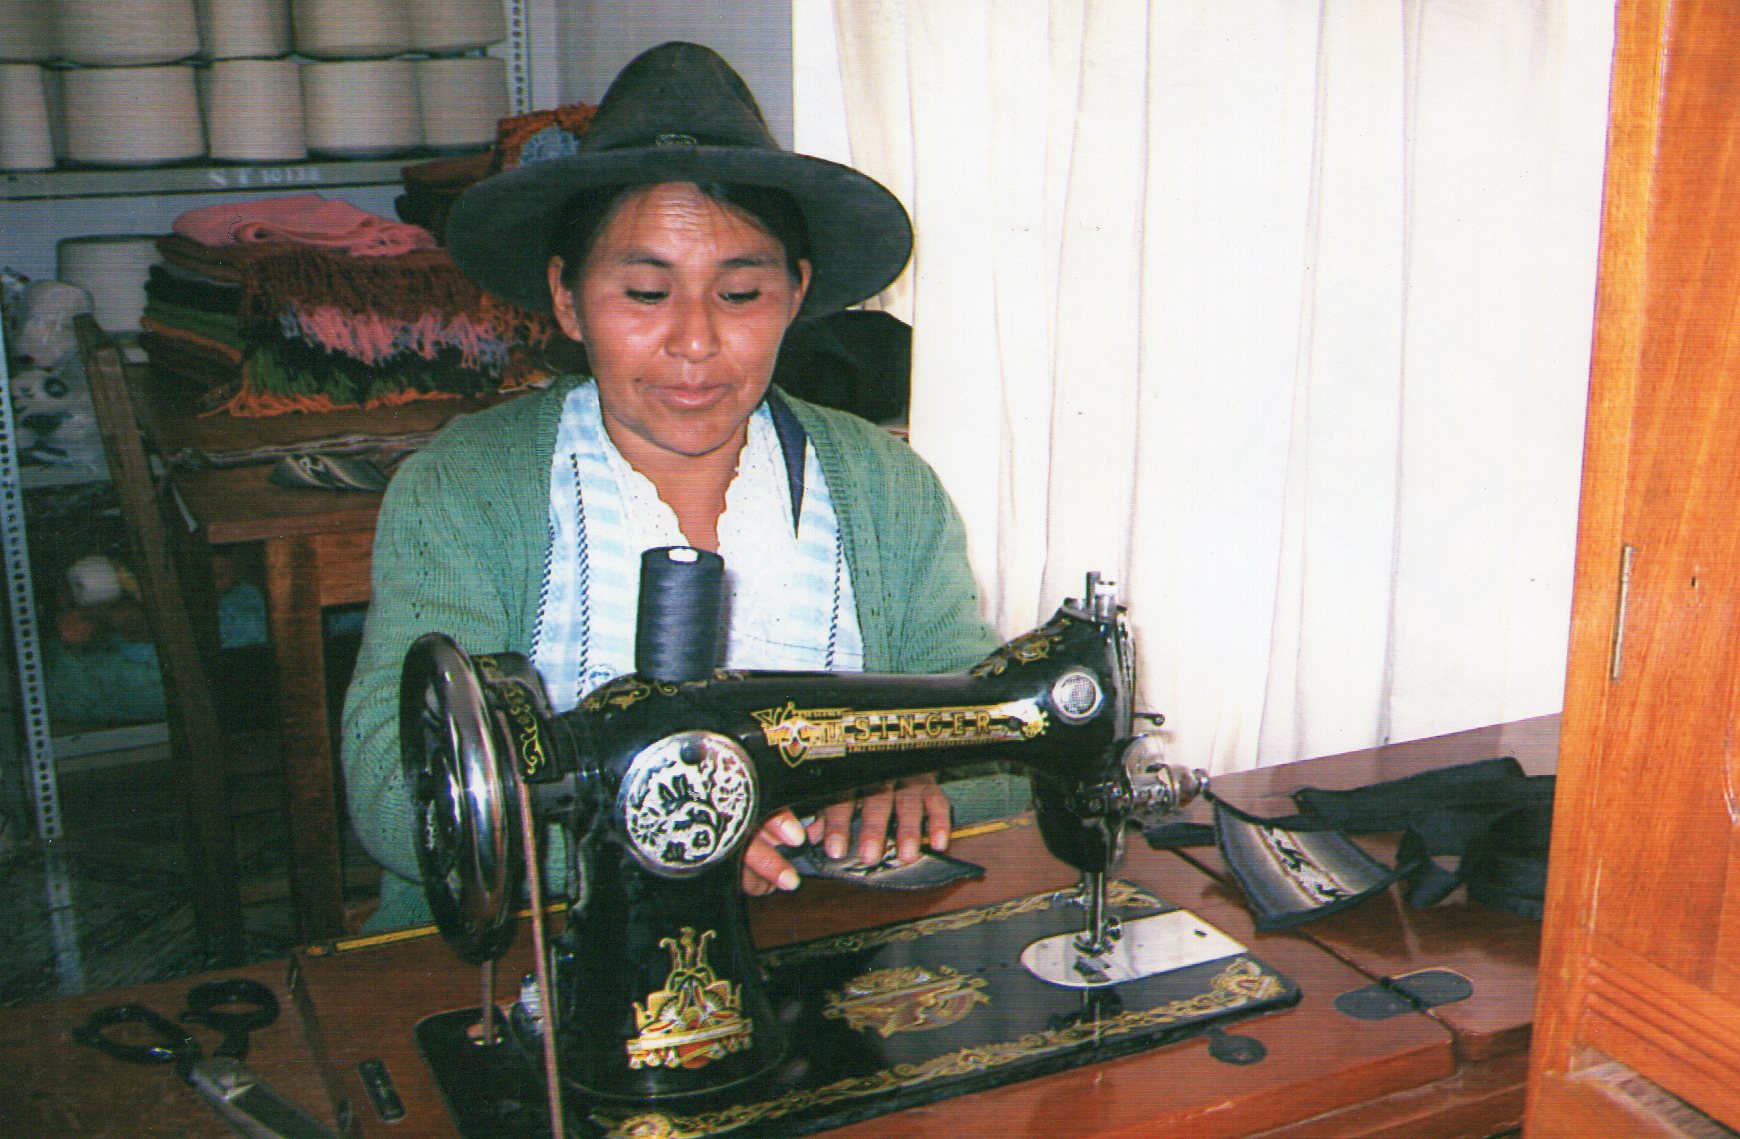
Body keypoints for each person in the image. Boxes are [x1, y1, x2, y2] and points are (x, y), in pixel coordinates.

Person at [341, 41, 1012, 932]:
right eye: (645, 293)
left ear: (796, 295)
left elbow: (996, 735)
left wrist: (915, 773)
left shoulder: (887, 489)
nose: (694, 342)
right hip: (530, 950)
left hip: (814, 936)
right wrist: (652, 837)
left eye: (740, 295)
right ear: (569, 300)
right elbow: (400, 790)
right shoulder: (464, 491)